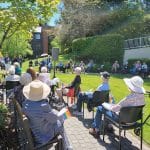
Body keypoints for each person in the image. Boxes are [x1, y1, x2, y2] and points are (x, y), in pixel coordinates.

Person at [22, 80, 69, 148]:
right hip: (43, 136)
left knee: (59, 118)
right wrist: (59, 112)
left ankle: (66, 146)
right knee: (61, 121)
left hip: (34, 131)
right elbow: (54, 119)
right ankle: (66, 147)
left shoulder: (26, 103)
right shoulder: (43, 105)